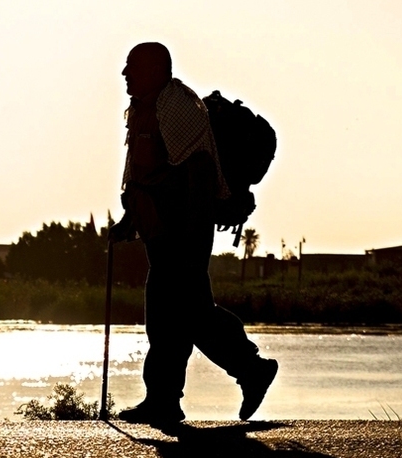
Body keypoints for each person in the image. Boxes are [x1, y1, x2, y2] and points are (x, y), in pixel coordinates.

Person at [109, 42, 277, 429]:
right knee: (169, 315)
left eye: (131, 66)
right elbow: (141, 174)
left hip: (184, 231)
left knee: (188, 314)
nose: (124, 74)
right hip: (162, 233)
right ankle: (166, 400)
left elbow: (198, 170)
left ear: (155, 69)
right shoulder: (142, 108)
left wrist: (189, 236)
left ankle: (249, 371)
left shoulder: (176, 105)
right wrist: (128, 219)